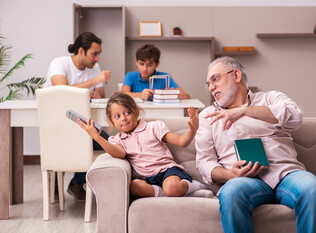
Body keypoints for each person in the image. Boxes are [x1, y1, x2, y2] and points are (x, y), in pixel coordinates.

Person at [195, 56, 316, 233]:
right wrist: (230, 175)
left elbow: (296, 117)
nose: (211, 87)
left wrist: (244, 111)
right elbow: (204, 161)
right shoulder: (208, 116)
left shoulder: (271, 98)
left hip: (287, 175)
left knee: (312, 188)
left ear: (236, 75)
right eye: (208, 84)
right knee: (231, 192)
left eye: (215, 79)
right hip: (245, 181)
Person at [78, 92, 213, 198]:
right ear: (111, 121)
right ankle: (172, 193)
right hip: (146, 179)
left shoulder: (153, 127)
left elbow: (182, 142)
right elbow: (119, 153)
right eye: (117, 116)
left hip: (167, 172)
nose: (124, 118)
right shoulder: (117, 140)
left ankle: (193, 188)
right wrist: (96, 136)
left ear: (136, 112)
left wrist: (192, 130)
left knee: (172, 187)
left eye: (127, 113)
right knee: (134, 187)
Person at [46, 32, 111, 202]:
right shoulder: (59, 63)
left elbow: (101, 94)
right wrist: (93, 81)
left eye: (99, 54)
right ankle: (60, 183)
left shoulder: (93, 68)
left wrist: (97, 92)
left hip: (83, 124)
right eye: (94, 54)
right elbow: (61, 90)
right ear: (81, 51)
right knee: (99, 141)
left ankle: (76, 182)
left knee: (109, 144)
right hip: (56, 126)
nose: (97, 59)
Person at [121, 44, 191, 100]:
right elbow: (123, 94)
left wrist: (169, 95)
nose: (145, 69)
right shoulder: (130, 76)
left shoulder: (164, 77)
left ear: (157, 64)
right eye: (141, 64)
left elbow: (187, 96)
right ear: (136, 62)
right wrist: (140, 95)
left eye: (149, 65)